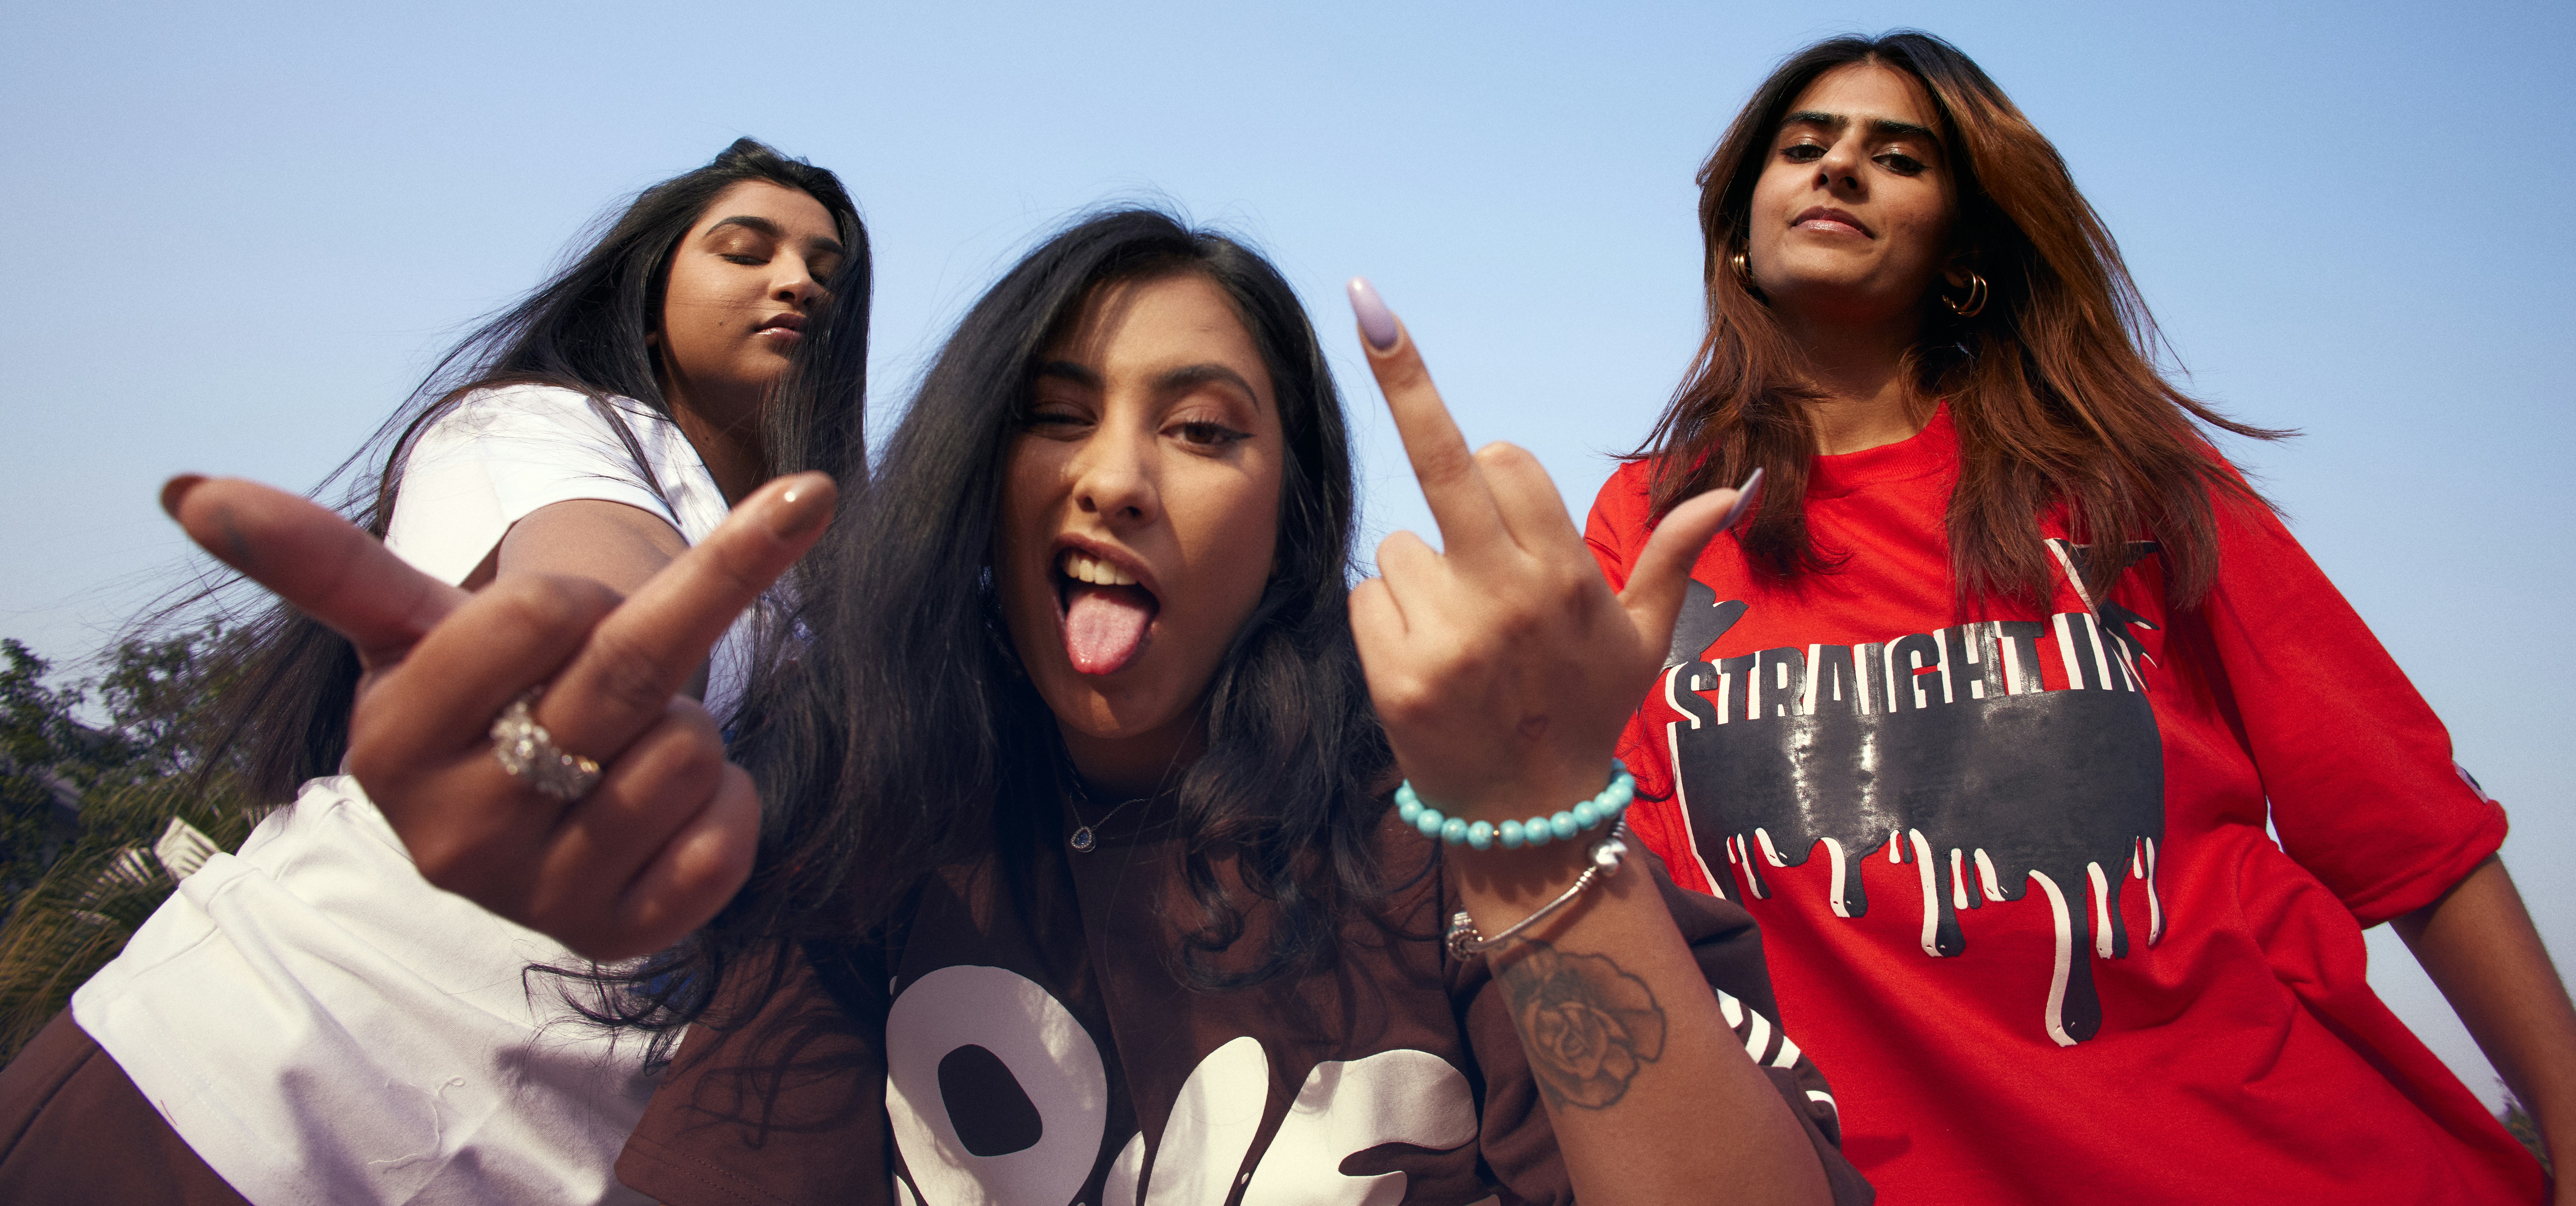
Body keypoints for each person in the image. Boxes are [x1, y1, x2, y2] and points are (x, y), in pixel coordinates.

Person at [147, 210, 1875, 1205]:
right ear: (976, 485)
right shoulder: (863, 846)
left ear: (1290, 530)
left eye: (1204, 429)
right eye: (1057, 413)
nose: (1116, 475)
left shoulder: (1445, 818)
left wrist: (1527, 830)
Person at [1581, 30, 2576, 1204]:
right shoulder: (1656, 523)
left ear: (1963, 253)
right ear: (1740, 230)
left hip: (2293, 1157)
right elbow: (1606, 890)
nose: (1839, 168)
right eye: (1804, 146)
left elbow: (2407, 825)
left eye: (1898, 157)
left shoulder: (2123, 476)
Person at [0, 138, 871, 1206]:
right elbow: (596, 586)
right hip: (240, 1092)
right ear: (649, 303)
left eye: (829, 276)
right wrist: (571, 705)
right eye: (748, 251)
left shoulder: (838, 603)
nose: (797, 283)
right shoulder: (547, 425)